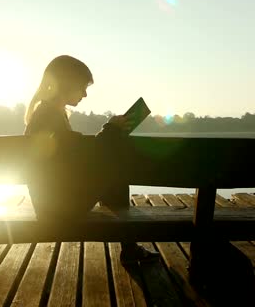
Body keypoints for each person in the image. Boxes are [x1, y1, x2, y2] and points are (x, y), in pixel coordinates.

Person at [24, 54, 160, 264]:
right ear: (66, 83)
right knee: (114, 171)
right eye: (82, 87)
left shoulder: (46, 113)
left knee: (111, 169)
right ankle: (130, 248)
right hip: (57, 208)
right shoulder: (48, 116)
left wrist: (110, 132)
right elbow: (80, 156)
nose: (85, 94)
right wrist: (111, 130)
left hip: (50, 203)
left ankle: (130, 247)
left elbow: (76, 155)